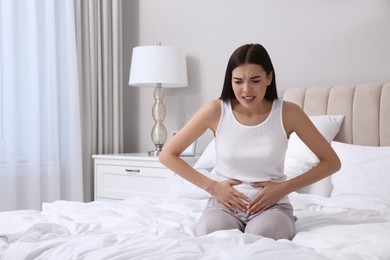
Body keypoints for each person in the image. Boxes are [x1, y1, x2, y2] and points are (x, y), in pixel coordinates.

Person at [159, 43, 341, 240]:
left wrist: (283, 188)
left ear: (269, 78)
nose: (246, 90)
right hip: (223, 206)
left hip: (272, 208)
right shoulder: (215, 110)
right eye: (238, 81)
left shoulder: (288, 113)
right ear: (230, 81)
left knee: (260, 236)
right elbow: (167, 155)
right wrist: (212, 187)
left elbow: (331, 162)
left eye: (255, 80)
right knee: (211, 235)